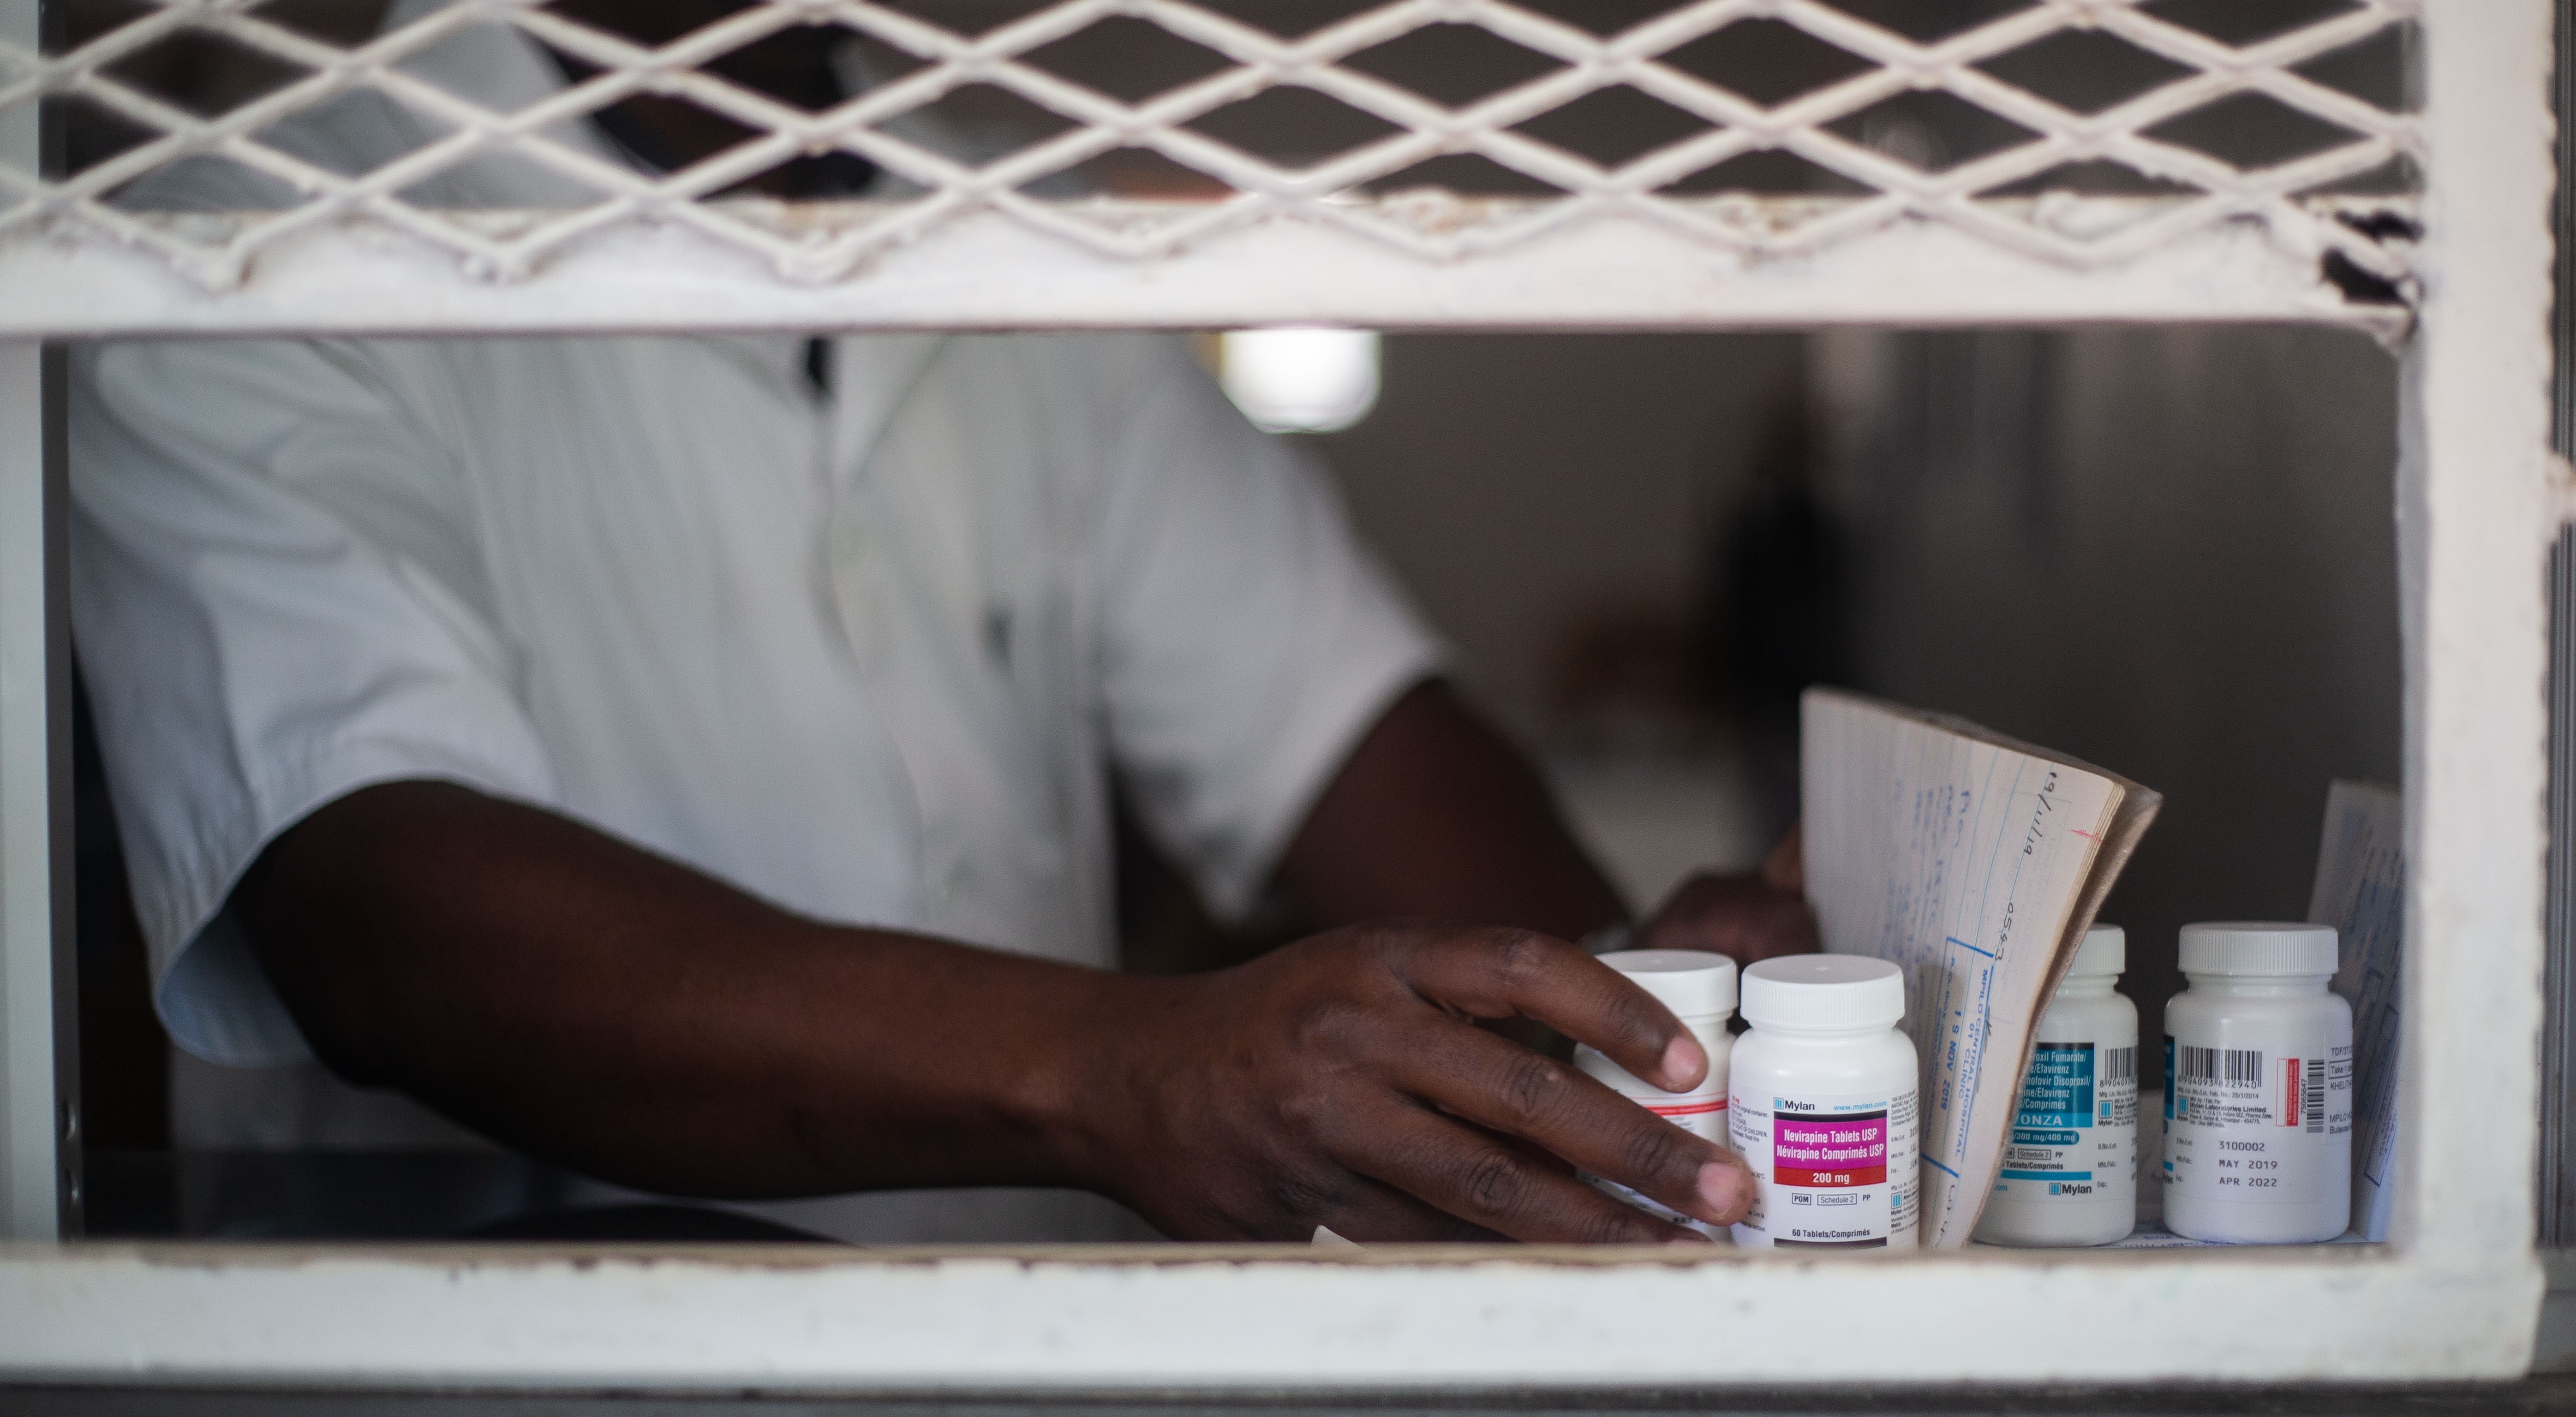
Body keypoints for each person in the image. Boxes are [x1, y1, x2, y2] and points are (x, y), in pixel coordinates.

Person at [67, 0, 1817, 1244]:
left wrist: (1629, 1015)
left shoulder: (1011, 232)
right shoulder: (245, 238)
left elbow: (1347, 735)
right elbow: (380, 918)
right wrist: (1126, 1067)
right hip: (507, 1363)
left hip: (1014, 1347)